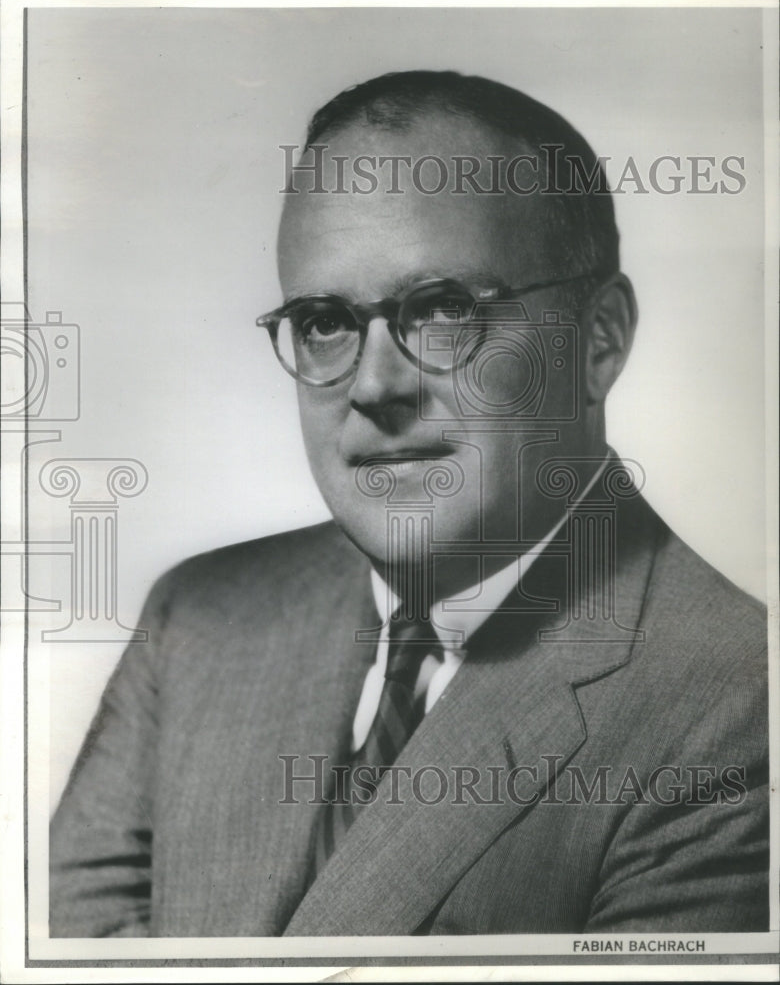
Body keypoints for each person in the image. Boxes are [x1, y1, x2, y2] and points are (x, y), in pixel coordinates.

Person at [50, 70, 768, 937]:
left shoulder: (738, 709)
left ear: (598, 340)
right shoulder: (198, 621)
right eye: (324, 321)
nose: (376, 385)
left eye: (441, 311)